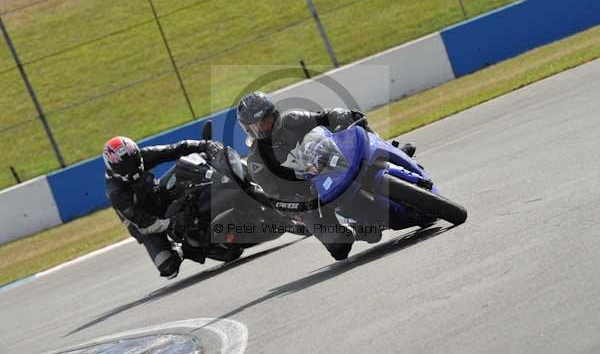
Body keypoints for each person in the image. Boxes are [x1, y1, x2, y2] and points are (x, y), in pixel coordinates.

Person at [236, 91, 417, 260]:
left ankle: (391, 150)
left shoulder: (293, 119)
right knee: (339, 248)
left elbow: (324, 117)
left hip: (331, 158)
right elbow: (277, 197)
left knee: (358, 124)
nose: (264, 128)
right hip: (308, 196)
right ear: (248, 130)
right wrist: (300, 203)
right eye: (257, 126)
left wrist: (341, 116)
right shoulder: (256, 161)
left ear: (275, 114)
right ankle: (354, 228)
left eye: (266, 121)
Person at [102, 136, 223, 279]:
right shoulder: (116, 192)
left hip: (156, 196)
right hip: (144, 224)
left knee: (188, 166)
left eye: (133, 160)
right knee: (168, 267)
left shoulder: (143, 155)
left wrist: (204, 145)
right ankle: (182, 248)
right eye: (125, 166)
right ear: (113, 167)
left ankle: (218, 188)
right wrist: (171, 222)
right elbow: (142, 223)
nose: (131, 167)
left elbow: (175, 148)